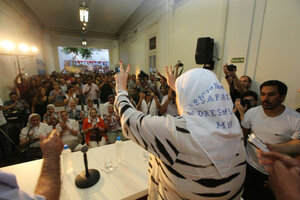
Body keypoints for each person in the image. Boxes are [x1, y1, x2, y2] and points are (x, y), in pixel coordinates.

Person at [114, 62, 246, 199]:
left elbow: (129, 120)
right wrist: (178, 87)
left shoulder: (176, 132)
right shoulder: (233, 124)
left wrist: (121, 89)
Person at [241, 80, 300, 200]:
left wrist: (279, 174)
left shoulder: (296, 119)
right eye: (262, 94)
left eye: (271, 95)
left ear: (282, 97)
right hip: (250, 166)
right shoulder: (252, 113)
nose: (265, 98)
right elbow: (242, 137)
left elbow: (297, 147)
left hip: (275, 172)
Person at [0, 130, 63, 200]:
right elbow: (21, 145)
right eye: (33, 120)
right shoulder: (25, 130)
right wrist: (51, 154)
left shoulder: (45, 127)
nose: (35, 121)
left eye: (37, 119)